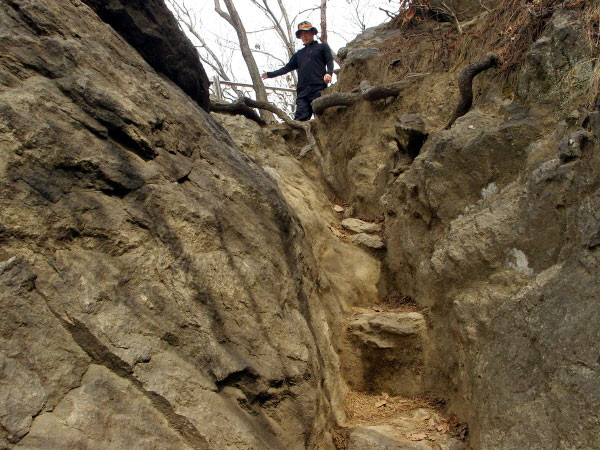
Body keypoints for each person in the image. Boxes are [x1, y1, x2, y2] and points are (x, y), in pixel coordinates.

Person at [262, 21, 334, 121]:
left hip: (318, 87)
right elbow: (287, 68)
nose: (304, 36)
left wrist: (329, 73)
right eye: (302, 34)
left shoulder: (322, 47)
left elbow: (329, 61)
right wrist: (270, 74)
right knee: (300, 118)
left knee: (323, 116)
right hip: (302, 90)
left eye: (307, 33)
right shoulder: (299, 54)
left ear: (313, 33)